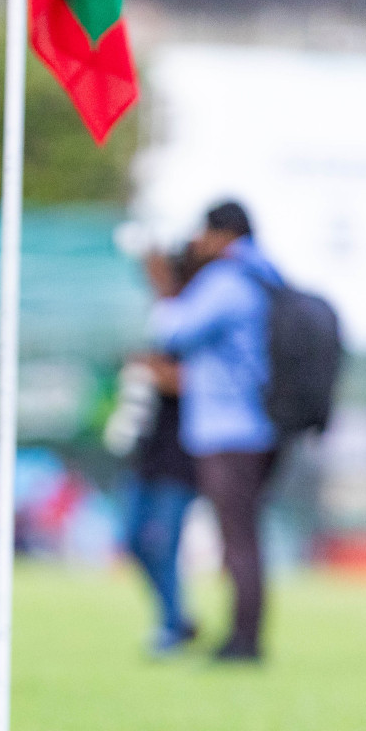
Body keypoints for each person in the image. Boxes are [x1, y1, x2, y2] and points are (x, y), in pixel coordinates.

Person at [149, 201, 279, 661]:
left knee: (237, 537)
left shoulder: (228, 282)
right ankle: (244, 634)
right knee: (242, 534)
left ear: (223, 235)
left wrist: (163, 284)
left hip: (230, 428)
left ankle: (244, 641)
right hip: (259, 425)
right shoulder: (268, 276)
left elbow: (172, 330)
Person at [108, 251, 199, 655]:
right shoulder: (160, 318)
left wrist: (152, 370)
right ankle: (175, 618)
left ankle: (173, 622)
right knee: (133, 539)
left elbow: (195, 379)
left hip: (182, 456)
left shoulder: (196, 317)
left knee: (164, 542)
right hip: (149, 451)